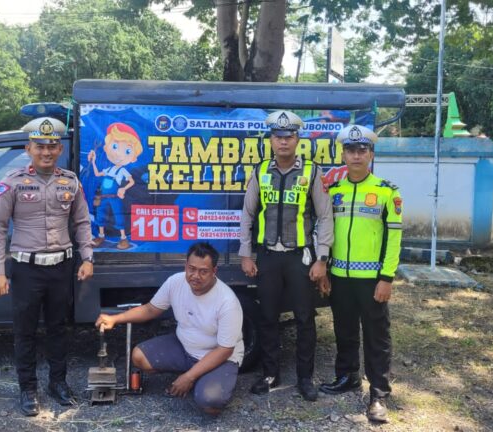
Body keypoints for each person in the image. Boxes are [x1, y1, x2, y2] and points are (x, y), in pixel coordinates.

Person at [0, 117, 95, 416]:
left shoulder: (70, 182)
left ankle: (57, 383)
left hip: (61, 268)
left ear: (59, 149)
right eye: (40, 146)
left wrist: (87, 257)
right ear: (29, 149)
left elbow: (82, 222)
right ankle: (28, 389)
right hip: (27, 270)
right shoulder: (12, 182)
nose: (46, 152)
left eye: (51, 146)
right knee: (25, 331)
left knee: (59, 329)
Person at [238, 110, 333, 401]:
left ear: (297, 139)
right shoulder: (260, 171)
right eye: (278, 137)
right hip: (267, 256)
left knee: (304, 318)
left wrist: (322, 259)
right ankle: (270, 375)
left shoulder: (312, 172)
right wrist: (246, 254)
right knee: (268, 317)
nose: (283, 142)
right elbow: (247, 214)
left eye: (288, 137)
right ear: (270, 140)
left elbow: (325, 216)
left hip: (299, 257)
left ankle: (305, 378)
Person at [96, 242, 243, 416]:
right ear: (185, 266)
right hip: (185, 348)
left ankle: (201, 378)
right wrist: (115, 319)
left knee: (209, 402)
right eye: (192, 269)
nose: (195, 276)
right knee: (139, 357)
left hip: (219, 357)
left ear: (214, 271)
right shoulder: (175, 282)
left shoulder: (227, 302)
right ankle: (197, 376)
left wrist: (188, 377)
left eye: (203, 271)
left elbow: (225, 350)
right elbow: (150, 309)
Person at [318, 124, 403, 424]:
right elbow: (325, 234)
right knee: (344, 330)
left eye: (362, 150)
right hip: (339, 277)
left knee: (376, 336)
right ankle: (347, 377)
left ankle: (378, 394)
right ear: (343, 155)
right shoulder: (333, 192)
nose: (356, 155)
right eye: (351, 150)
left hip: (372, 280)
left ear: (371, 154)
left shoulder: (386, 191)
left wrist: (387, 278)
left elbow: (393, 238)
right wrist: (325, 270)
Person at [88, 122, 143, 250]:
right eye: (114, 146)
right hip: (104, 197)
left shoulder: (123, 171)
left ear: (133, 157)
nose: (118, 153)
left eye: (127, 151)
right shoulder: (108, 169)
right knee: (100, 214)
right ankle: (101, 236)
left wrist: (123, 188)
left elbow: (132, 181)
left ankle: (123, 238)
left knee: (118, 215)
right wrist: (93, 161)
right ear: (107, 148)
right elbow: (97, 174)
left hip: (115, 197)